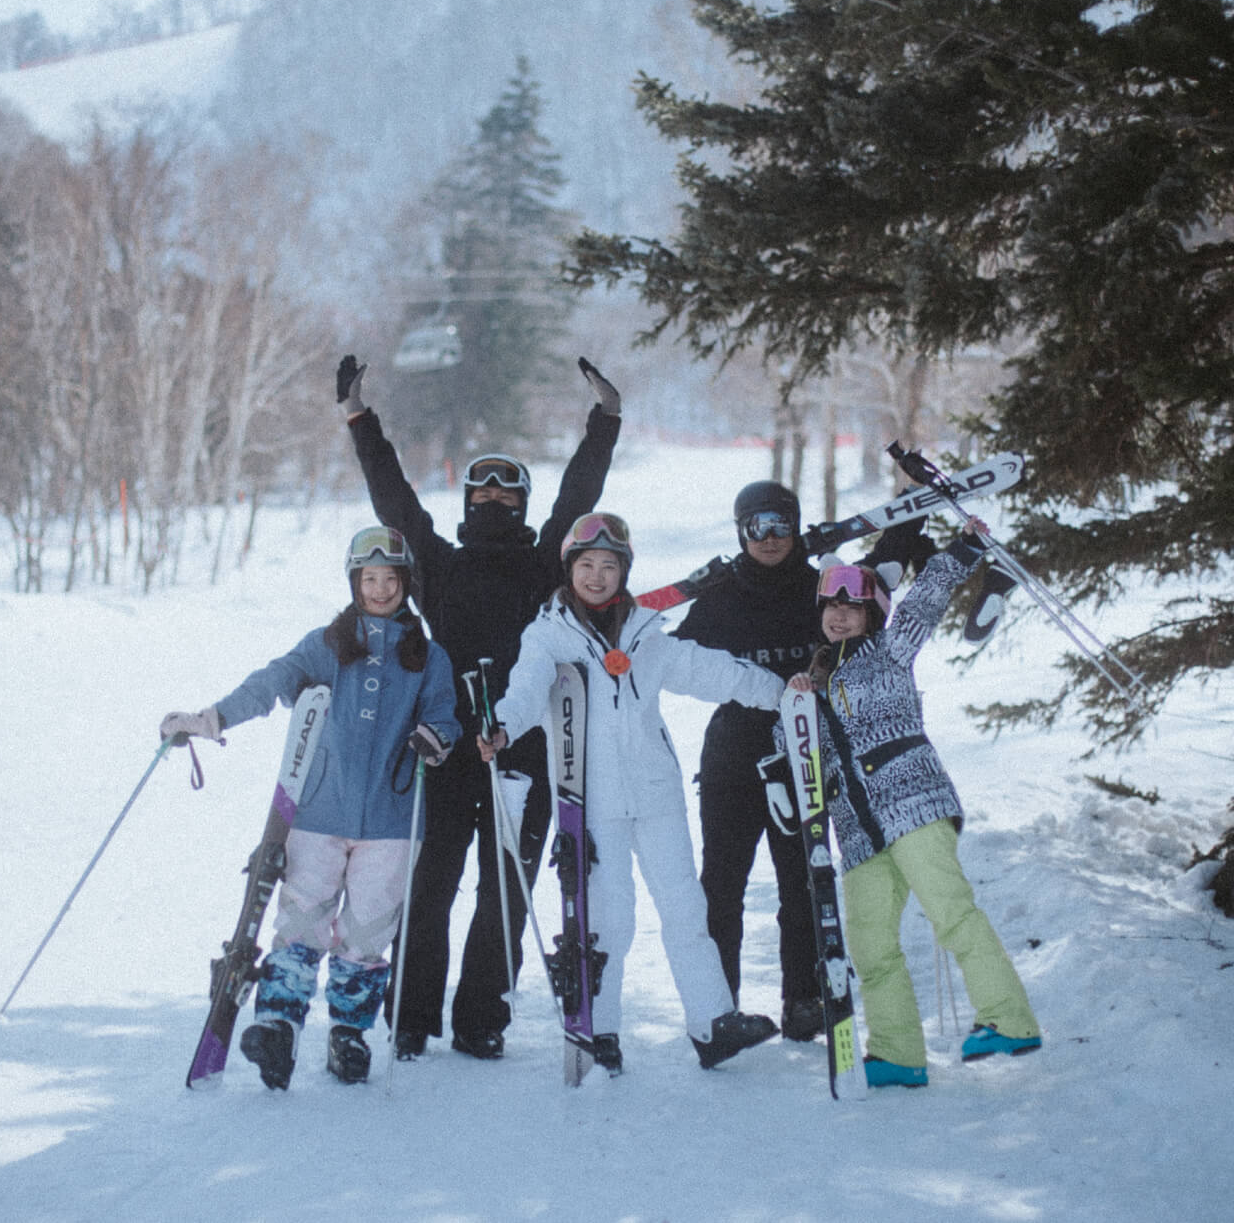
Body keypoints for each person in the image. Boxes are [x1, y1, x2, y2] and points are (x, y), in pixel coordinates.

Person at [336, 352, 620, 1060]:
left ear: (522, 503)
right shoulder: (440, 565)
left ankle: (480, 1017)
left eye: (506, 489)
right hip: (444, 746)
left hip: (522, 748)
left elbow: (577, 498)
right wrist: (359, 419)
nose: (493, 498)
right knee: (430, 884)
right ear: (467, 501)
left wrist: (606, 421)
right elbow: (395, 504)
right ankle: (410, 1016)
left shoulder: (545, 564)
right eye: (481, 489)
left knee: (505, 888)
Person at [480, 513, 787, 1074]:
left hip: (655, 792)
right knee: (609, 916)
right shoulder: (547, 636)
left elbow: (709, 670)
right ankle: (601, 1029)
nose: (597, 576)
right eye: (586, 565)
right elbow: (525, 690)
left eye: (609, 565)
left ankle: (712, 1022)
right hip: (590, 798)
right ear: (570, 569)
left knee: (686, 907)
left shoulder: (646, 633)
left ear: (624, 571)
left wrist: (782, 693)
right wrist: (502, 725)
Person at [159, 526, 459, 1089]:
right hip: (319, 813)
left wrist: (436, 736)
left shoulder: (427, 656)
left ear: (405, 583)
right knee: (301, 924)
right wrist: (212, 719)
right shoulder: (327, 645)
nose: (379, 590)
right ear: (354, 583)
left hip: (392, 821)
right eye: (369, 579)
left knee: (366, 935)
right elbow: (272, 682)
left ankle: (348, 1035)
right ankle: (278, 1028)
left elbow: (446, 713)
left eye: (390, 579)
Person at [783, 520, 1042, 1089]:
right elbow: (799, 761)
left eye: (853, 608)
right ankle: (898, 1053)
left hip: (913, 805)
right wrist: (794, 709)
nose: (840, 616)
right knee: (871, 945)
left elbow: (926, 599)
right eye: (832, 607)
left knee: (952, 913)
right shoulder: (811, 685)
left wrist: (965, 549)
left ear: (872, 616)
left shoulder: (889, 652)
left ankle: (1008, 1019)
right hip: (858, 833)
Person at [673, 480, 932, 1044]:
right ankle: (719, 1007)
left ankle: (805, 999)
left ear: (796, 527)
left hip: (805, 758)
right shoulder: (720, 596)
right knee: (721, 886)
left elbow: (878, 574)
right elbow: (671, 656)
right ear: (740, 531)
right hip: (733, 759)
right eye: (756, 526)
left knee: (804, 882)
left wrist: (914, 511)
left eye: (780, 525)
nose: (769, 538)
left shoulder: (822, 589)